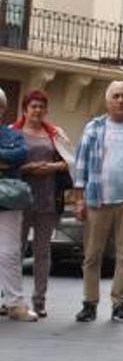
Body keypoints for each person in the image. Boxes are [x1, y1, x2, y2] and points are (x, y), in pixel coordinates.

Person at [72, 81, 123, 324]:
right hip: (97, 199)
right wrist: (79, 200)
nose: (120, 100)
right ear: (107, 101)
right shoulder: (93, 127)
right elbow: (81, 164)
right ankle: (89, 303)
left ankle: (119, 304)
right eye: (115, 96)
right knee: (92, 256)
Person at [11, 90, 73, 318]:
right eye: (33, 106)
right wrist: (26, 169)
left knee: (42, 252)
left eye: (41, 107)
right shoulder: (12, 132)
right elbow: (5, 165)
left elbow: (69, 162)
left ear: (45, 110)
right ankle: (10, 299)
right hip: (19, 200)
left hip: (47, 200)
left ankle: (39, 301)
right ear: (25, 110)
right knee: (13, 251)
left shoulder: (55, 134)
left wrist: (51, 167)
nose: (37, 110)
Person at [0, 87, 36, 322]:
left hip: (7, 201)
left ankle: (15, 303)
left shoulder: (14, 135)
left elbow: (20, 154)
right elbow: (8, 158)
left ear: (3, 109)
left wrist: (6, 158)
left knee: (10, 252)